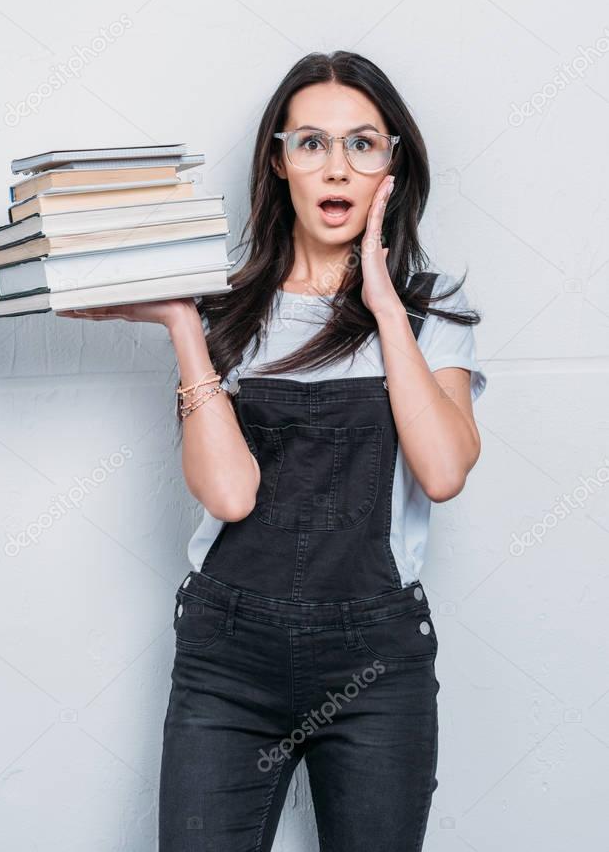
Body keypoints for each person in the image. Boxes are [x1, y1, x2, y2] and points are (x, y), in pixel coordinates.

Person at [58, 50, 487, 850]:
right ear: (279, 161)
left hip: (376, 663)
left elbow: (442, 468)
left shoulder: (431, 308)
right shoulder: (222, 307)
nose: (336, 166)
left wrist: (383, 303)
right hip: (228, 657)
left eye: (362, 143)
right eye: (311, 143)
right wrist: (187, 326)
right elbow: (229, 496)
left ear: (392, 164)